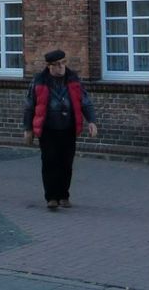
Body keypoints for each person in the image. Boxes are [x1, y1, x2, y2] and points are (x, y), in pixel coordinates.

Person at [22, 49, 98, 210]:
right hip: (48, 128)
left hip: (68, 127)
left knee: (66, 163)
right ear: (49, 66)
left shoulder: (73, 80)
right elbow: (29, 106)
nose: (61, 67)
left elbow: (85, 101)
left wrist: (92, 121)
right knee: (50, 161)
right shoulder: (39, 81)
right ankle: (51, 197)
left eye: (63, 63)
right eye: (57, 64)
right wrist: (28, 129)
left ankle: (64, 195)